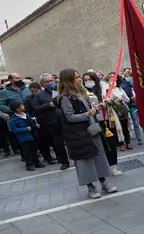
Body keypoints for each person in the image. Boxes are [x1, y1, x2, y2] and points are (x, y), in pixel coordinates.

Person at [56, 69, 118, 199]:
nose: (80, 79)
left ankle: (103, 182)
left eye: (79, 77)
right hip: (77, 135)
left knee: (99, 157)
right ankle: (90, 187)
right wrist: (87, 114)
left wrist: (95, 109)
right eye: (76, 77)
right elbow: (70, 117)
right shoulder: (65, 98)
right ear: (68, 81)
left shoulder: (82, 93)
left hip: (92, 130)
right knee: (84, 161)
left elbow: (87, 111)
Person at [84, 72, 121, 177]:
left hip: (108, 120)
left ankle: (113, 166)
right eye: (85, 80)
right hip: (94, 122)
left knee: (112, 144)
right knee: (101, 146)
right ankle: (103, 168)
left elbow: (117, 103)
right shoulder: (84, 94)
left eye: (90, 79)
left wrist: (110, 101)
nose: (88, 82)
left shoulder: (103, 91)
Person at [34, 73, 70, 170]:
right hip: (53, 122)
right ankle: (64, 161)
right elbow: (36, 109)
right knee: (58, 143)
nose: (50, 83)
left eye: (51, 81)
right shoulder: (39, 95)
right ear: (42, 83)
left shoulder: (62, 90)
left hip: (67, 119)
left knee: (71, 140)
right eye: (47, 81)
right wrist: (49, 105)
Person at [8, 101, 45, 171]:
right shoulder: (13, 119)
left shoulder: (26, 115)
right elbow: (14, 130)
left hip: (32, 135)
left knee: (34, 150)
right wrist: (25, 129)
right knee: (27, 152)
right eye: (22, 106)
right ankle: (29, 164)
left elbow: (31, 124)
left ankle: (36, 162)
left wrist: (35, 125)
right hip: (24, 138)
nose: (24, 107)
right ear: (17, 109)